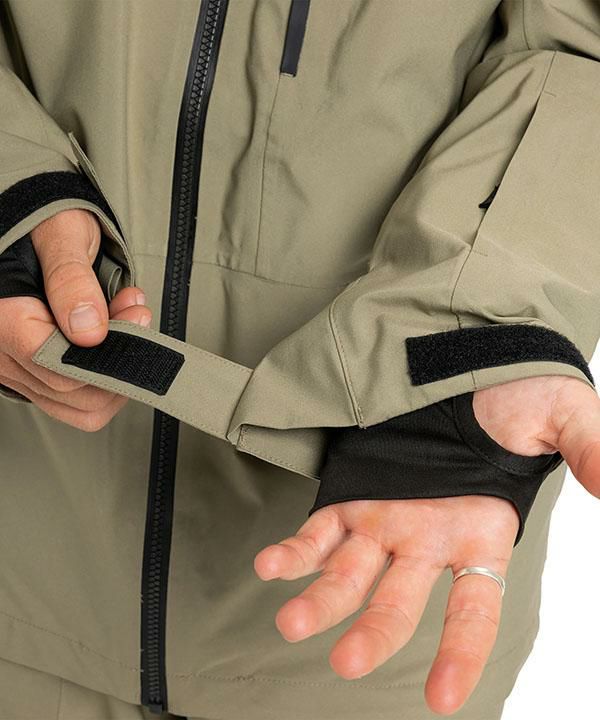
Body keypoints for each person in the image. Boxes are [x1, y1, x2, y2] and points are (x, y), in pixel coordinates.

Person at [0, 0, 599, 718]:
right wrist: (13, 200)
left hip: (386, 588)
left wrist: (474, 331)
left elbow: (579, 48)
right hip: (21, 564)